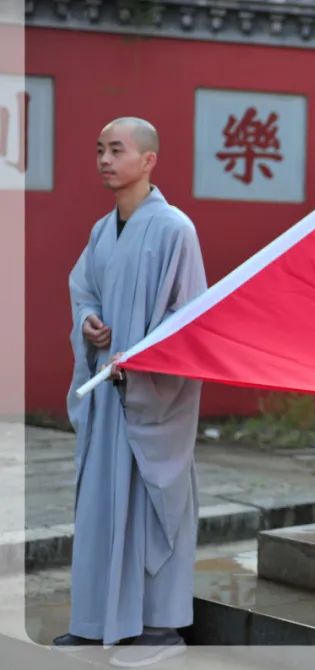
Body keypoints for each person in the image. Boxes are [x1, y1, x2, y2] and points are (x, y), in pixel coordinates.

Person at [60, 117, 207, 667]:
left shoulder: (175, 230)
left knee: (150, 507)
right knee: (100, 504)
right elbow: (83, 292)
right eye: (99, 149)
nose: (103, 158)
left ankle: (157, 626)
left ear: (148, 160)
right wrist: (91, 322)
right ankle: (97, 619)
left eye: (115, 149)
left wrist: (143, 360)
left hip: (150, 402)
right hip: (107, 397)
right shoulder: (102, 231)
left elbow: (189, 320)